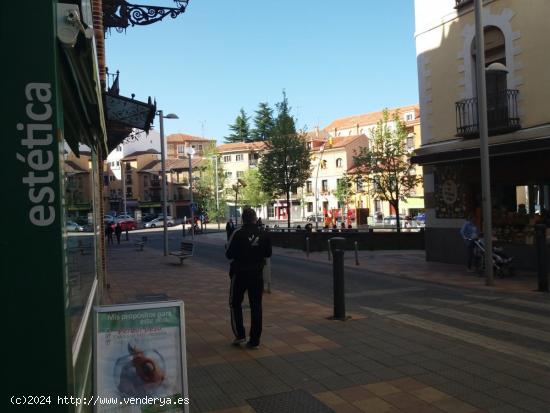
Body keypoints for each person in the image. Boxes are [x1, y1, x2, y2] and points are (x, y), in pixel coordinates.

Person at [225, 207, 272, 349]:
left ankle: (240, 335)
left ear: (242, 219)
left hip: (239, 274)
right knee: (256, 306)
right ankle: (255, 340)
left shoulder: (237, 233)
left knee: (235, 303)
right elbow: (268, 253)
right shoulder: (264, 234)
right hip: (257, 275)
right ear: (255, 218)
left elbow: (229, 254)